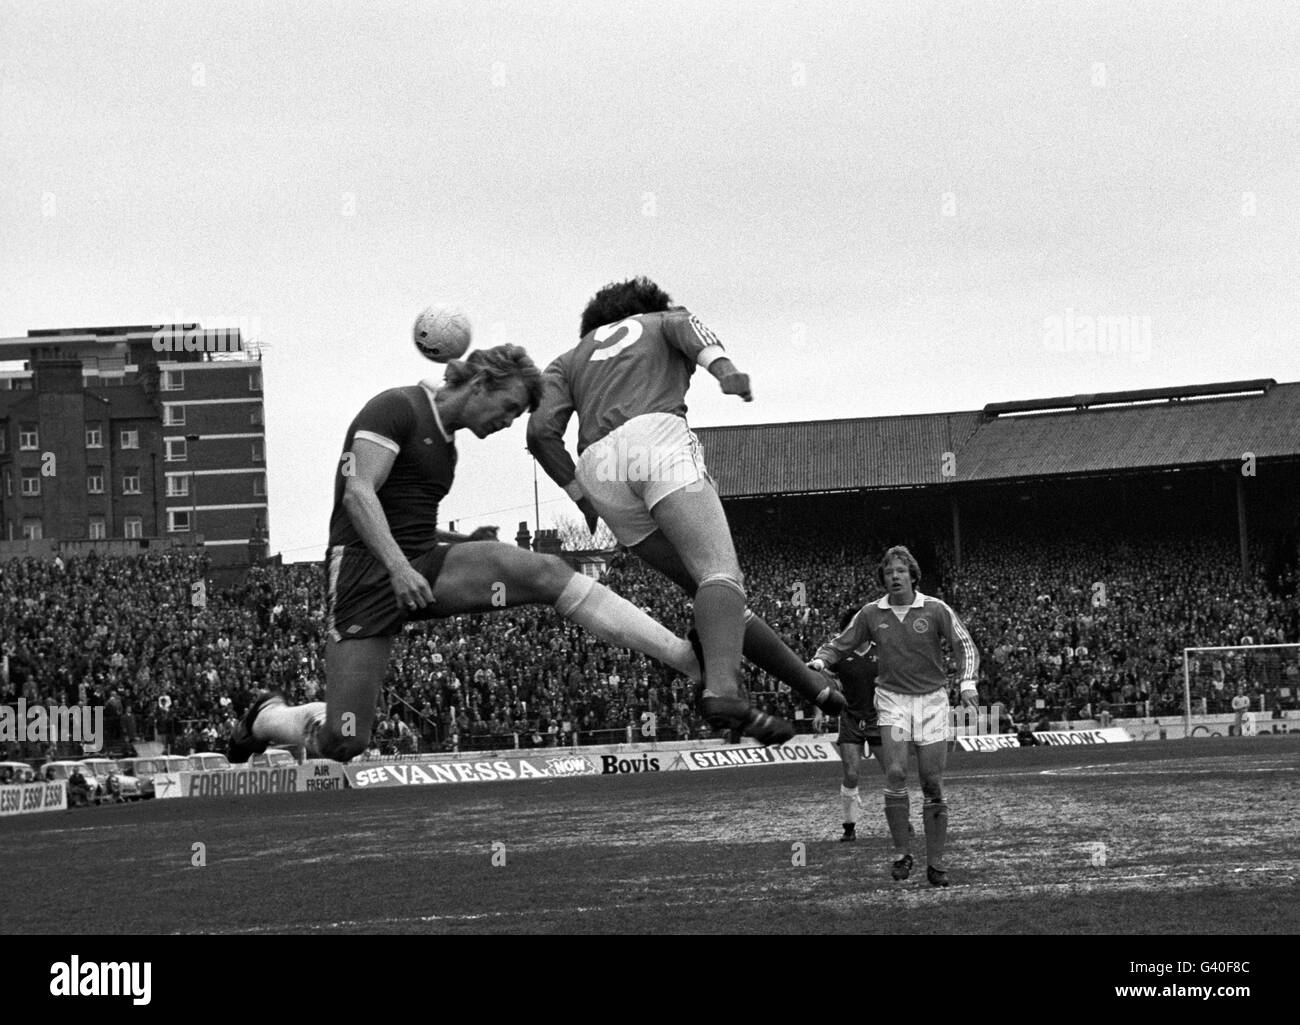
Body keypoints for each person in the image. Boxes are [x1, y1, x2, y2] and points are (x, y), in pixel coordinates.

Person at [229, 344, 724, 763]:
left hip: (420, 562)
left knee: (544, 571)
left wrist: (463, 545)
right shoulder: (395, 407)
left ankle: (686, 659)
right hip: (364, 575)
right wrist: (398, 568)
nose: (507, 422)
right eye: (508, 408)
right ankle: (268, 717)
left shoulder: (447, 447)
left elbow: (409, 525)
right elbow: (359, 493)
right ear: (482, 383)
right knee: (345, 738)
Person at [526, 276, 841, 741]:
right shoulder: (660, 319)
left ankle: (817, 691)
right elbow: (693, 333)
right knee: (721, 577)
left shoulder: (567, 360)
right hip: (655, 438)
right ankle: (723, 691)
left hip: (599, 469)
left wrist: (579, 496)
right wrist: (725, 371)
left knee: (714, 596)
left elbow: (539, 434)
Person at [810, 546, 979, 887]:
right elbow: (842, 643)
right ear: (883, 579)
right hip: (891, 702)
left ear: (913, 575)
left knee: (931, 781)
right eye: (889, 573)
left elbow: (965, 646)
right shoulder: (872, 614)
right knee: (897, 772)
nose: (895, 576)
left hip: (931, 703)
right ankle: (902, 854)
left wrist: (968, 684)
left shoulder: (935, 609)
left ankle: (936, 862)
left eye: (901, 571)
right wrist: (821, 661)